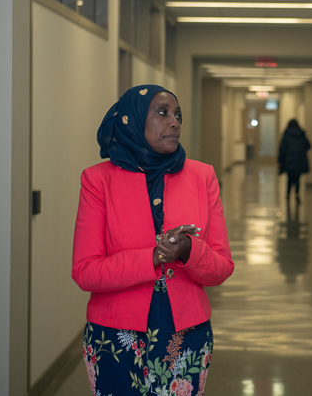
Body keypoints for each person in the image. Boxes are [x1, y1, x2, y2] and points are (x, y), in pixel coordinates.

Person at [72, 84, 234, 396]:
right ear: (131, 120)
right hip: (114, 337)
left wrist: (188, 250)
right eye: (162, 113)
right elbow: (85, 270)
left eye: (178, 115)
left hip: (186, 335)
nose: (174, 122)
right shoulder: (97, 180)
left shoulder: (203, 176)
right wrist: (153, 257)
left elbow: (222, 267)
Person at [277, 119, 311, 206]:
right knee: (297, 179)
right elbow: (308, 146)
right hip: (299, 161)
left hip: (289, 161)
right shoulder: (301, 134)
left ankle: (288, 195)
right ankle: (297, 194)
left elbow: (282, 150)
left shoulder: (286, 135)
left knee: (289, 178)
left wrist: (280, 161)